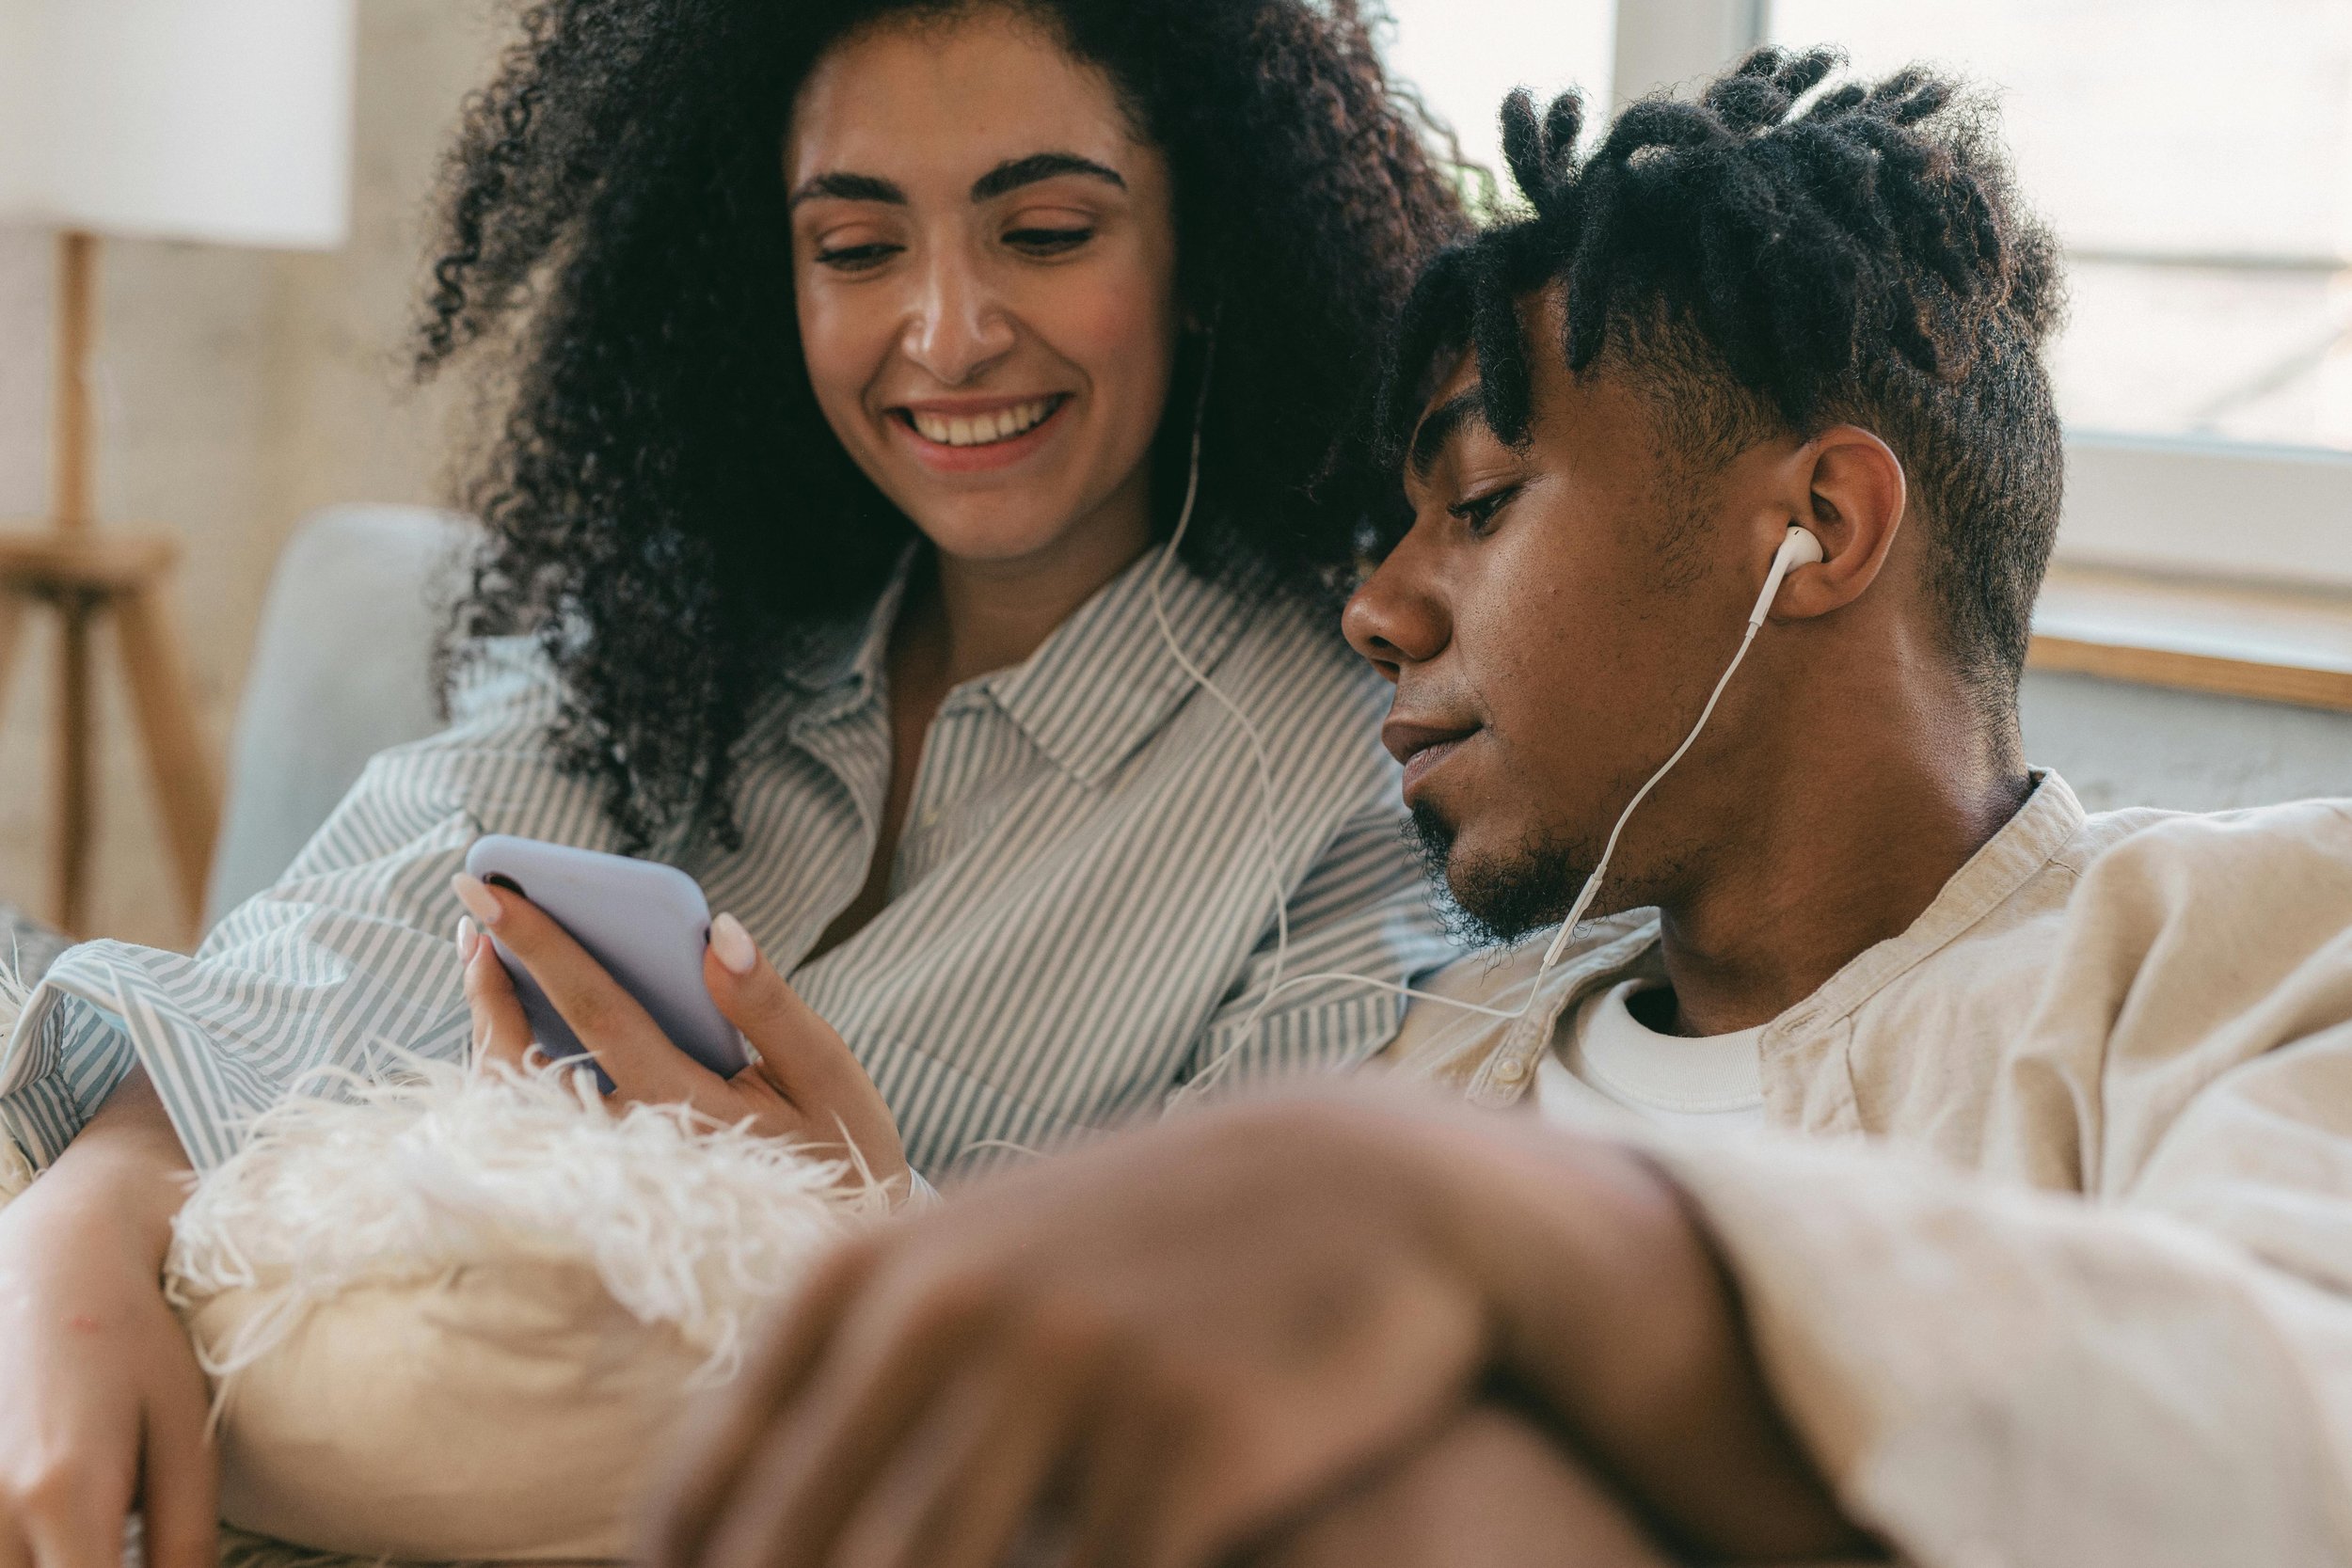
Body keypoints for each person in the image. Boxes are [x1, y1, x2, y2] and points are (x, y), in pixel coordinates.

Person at [643, 51, 2352, 1568]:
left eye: (1475, 505)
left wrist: (1494, 1225)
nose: (1376, 607)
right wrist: (876, 1236)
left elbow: (2299, 1425)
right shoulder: (1457, 1050)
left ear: (1818, 527)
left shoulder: (2247, 945)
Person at [0, 1, 1465, 1559]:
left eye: (1044, 233)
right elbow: (337, 948)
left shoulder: (1359, 773)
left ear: (1207, 253)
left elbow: (1238, 1384)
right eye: (856, 248)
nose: (947, 334)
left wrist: (862, 1231)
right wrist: (92, 1210)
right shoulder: (664, 642)